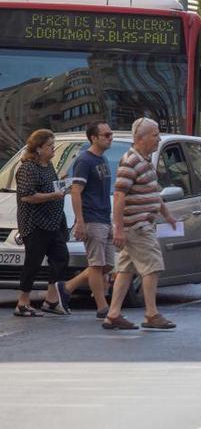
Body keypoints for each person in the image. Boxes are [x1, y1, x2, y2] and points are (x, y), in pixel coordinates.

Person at [103, 118, 177, 330]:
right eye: (155, 135)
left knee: (126, 270)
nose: (158, 139)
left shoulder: (144, 160)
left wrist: (166, 214)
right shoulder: (130, 162)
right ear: (140, 138)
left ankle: (113, 314)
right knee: (152, 267)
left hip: (137, 225)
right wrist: (118, 229)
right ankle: (151, 314)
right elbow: (118, 196)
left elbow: (153, 191)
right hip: (138, 226)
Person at [57, 121, 116, 319]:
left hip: (105, 218)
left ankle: (67, 287)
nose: (110, 138)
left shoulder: (103, 159)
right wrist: (80, 221)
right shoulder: (85, 161)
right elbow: (76, 192)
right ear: (94, 138)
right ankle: (102, 307)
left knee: (107, 265)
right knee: (97, 265)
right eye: (106, 135)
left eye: (110, 134)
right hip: (92, 218)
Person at [13, 129, 68, 317]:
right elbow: (27, 196)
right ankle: (22, 302)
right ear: (38, 149)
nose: (53, 149)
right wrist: (53, 195)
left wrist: (62, 186)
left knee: (61, 257)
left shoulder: (48, 165)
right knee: (33, 262)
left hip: (53, 222)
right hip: (35, 223)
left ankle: (51, 300)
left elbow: (51, 187)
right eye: (49, 146)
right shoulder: (28, 168)